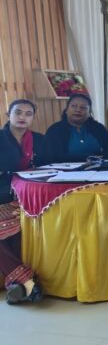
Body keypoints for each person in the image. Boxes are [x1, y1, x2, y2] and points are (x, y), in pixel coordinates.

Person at [0, 100, 45, 304]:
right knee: (5, 232)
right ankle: (27, 283)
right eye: (18, 112)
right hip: (3, 193)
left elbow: (49, 165)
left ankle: (17, 285)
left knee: (15, 232)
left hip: (28, 193)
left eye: (28, 113)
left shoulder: (38, 140)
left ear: (33, 118)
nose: (22, 117)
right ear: (8, 114)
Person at [45, 94, 108, 163]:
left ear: (89, 112)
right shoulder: (55, 130)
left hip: (97, 168)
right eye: (74, 106)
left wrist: (94, 159)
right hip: (65, 170)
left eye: (83, 107)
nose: (78, 110)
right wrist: (90, 158)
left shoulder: (99, 128)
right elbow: (55, 156)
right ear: (66, 110)